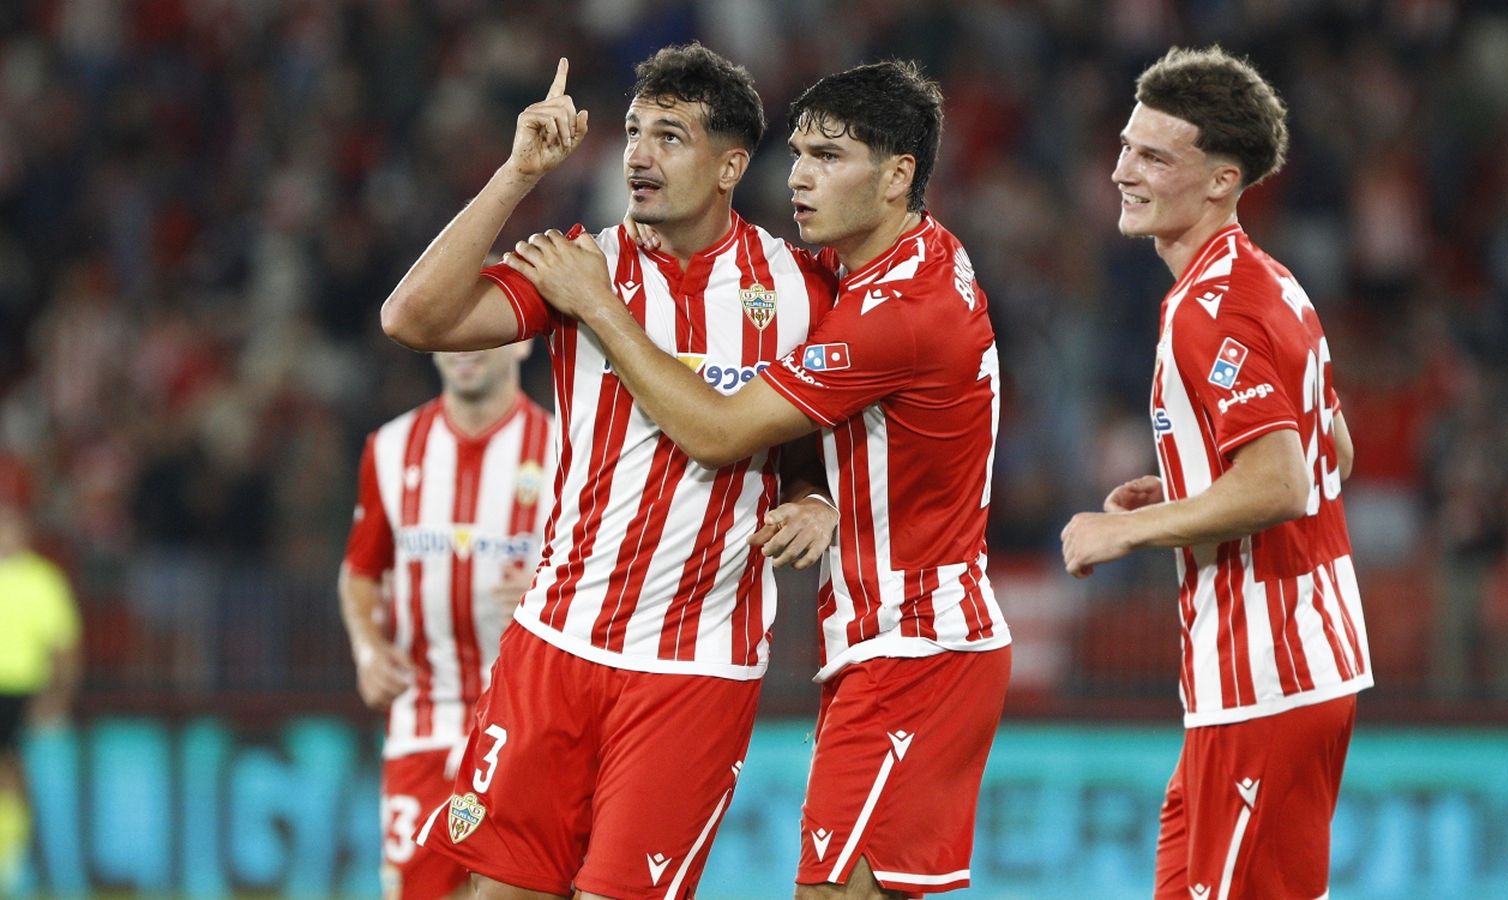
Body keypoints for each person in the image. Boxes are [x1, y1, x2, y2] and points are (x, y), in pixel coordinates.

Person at [508, 60, 1011, 899]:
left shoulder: (896, 313)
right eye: (801, 153)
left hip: (915, 644)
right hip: (899, 642)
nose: (800, 177)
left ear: (897, 178)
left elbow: (717, 432)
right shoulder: (906, 264)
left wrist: (599, 306)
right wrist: (814, 494)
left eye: (829, 157)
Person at [380, 44, 837, 899]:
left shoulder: (798, 286)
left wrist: (817, 500)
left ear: (731, 163)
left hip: (694, 669)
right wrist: (518, 175)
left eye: (669, 136)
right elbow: (413, 317)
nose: (638, 154)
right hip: (555, 640)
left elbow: (814, 441)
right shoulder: (581, 264)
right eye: (632, 132)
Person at [1058, 46, 1372, 900]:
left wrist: (1126, 528)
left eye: (1155, 157)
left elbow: (1282, 483)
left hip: (1266, 674)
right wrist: (1193, 481)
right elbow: (1331, 449)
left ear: (1221, 181)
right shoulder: (1268, 283)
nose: (1124, 171)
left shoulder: (1211, 310)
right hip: (1266, 678)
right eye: (1126, 146)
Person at [340, 343, 556, 899]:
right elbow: (361, 571)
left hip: (528, 726)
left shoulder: (565, 448)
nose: (464, 351)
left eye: (481, 335)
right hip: (422, 720)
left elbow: (609, 572)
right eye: (449, 336)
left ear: (522, 340)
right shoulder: (390, 448)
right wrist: (367, 648)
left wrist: (545, 592)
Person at [0, 457, 81, 892]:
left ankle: (13, 862)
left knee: (13, 773)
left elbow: (65, 646)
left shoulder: (43, 580)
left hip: (22, 688)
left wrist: (57, 697)